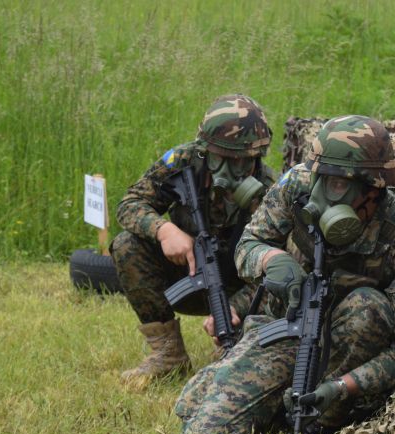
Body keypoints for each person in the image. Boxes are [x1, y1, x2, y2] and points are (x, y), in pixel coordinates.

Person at [176, 115, 395, 434]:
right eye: (320, 178)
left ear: (372, 190)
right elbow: (248, 246)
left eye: (338, 185)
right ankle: (262, 400)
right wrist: (271, 259)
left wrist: (344, 387)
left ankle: (321, 423)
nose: (319, 195)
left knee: (368, 307)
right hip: (286, 326)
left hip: (350, 349)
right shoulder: (297, 184)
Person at [112, 94, 276, 390]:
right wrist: (164, 231)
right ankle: (168, 354)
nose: (234, 168)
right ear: (206, 150)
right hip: (186, 271)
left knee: (278, 276)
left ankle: (233, 343)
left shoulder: (269, 192)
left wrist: (235, 308)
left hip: (237, 285)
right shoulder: (183, 161)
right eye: (225, 158)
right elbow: (131, 204)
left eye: (244, 160)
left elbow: (277, 266)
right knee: (127, 245)